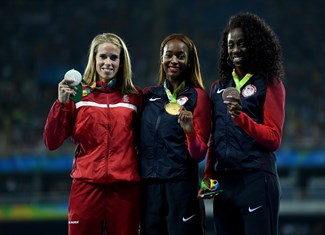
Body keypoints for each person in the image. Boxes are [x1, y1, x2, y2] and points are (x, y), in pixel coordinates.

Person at [43, 33, 142, 235]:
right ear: (94, 60)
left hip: (124, 190)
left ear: (122, 63)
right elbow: (51, 142)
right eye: (103, 57)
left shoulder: (134, 97)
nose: (108, 62)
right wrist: (60, 104)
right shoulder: (76, 95)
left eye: (114, 58)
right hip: (86, 187)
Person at [199, 12, 286, 235]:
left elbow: (274, 139)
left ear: (255, 46)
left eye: (242, 44)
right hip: (225, 183)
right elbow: (214, 138)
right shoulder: (218, 87)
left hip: (256, 179)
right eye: (231, 45)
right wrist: (209, 177)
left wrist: (241, 118)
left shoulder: (269, 83)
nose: (236, 50)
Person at [139, 33, 212, 235]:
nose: (174, 60)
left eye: (180, 56)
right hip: (149, 188)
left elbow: (199, 154)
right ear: (161, 58)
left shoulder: (199, 97)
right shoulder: (147, 95)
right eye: (169, 55)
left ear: (189, 62)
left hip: (181, 188)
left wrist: (189, 131)